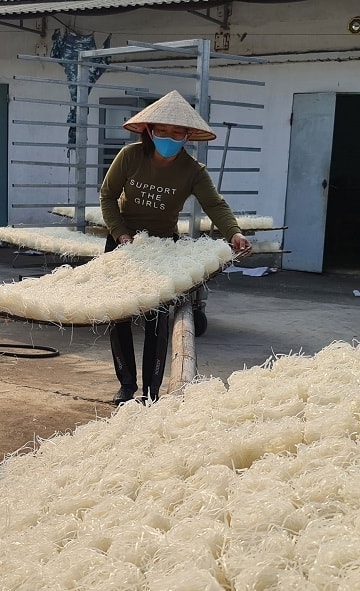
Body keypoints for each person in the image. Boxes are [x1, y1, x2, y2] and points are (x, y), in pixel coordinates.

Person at [99, 89, 252, 405]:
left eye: (177, 132)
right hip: (123, 243)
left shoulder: (192, 171)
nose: (169, 137)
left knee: (156, 317)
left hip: (162, 247)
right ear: (150, 131)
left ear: (187, 136)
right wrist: (121, 235)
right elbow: (107, 197)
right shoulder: (129, 157)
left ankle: (151, 391)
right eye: (163, 130)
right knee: (119, 314)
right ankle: (126, 385)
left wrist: (233, 233)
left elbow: (215, 204)